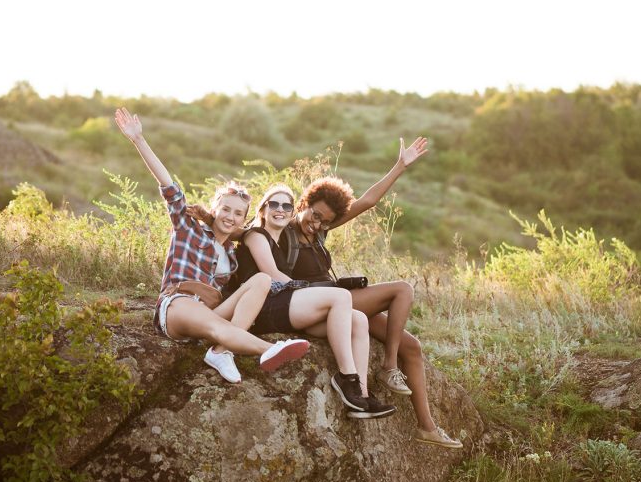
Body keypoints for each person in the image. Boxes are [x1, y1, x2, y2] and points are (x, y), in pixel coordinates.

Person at [266, 137, 463, 449]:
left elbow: (368, 201)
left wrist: (400, 166)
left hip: (341, 300)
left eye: (325, 221)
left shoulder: (321, 229)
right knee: (401, 290)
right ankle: (388, 367)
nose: (317, 224)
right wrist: (211, 220)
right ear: (302, 205)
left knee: (412, 346)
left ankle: (427, 427)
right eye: (314, 215)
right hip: (317, 303)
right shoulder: (282, 229)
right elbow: (246, 231)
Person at [113, 107, 309, 382]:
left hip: (208, 311)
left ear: (243, 218)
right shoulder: (188, 227)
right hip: (179, 305)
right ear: (214, 209)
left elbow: (251, 243)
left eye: (238, 213)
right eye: (226, 209)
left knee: (262, 280)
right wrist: (139, 140)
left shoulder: (233, 252)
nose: (230, 217)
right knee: (214, 324)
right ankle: (270, 350)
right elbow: (168, 186)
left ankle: (222, 350)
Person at [230, 184, 395, 420]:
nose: (280, 209)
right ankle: (347, 378)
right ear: (263, 209)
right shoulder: (257, 235)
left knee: (357, 319)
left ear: (292, 211)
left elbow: (363, 203)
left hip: (283, 309)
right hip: (262, 308)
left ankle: (361, 397)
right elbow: (273, 275)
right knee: (341, 297)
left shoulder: (281, 240)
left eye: (286, 205)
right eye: (274, 204)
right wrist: (316, 290)